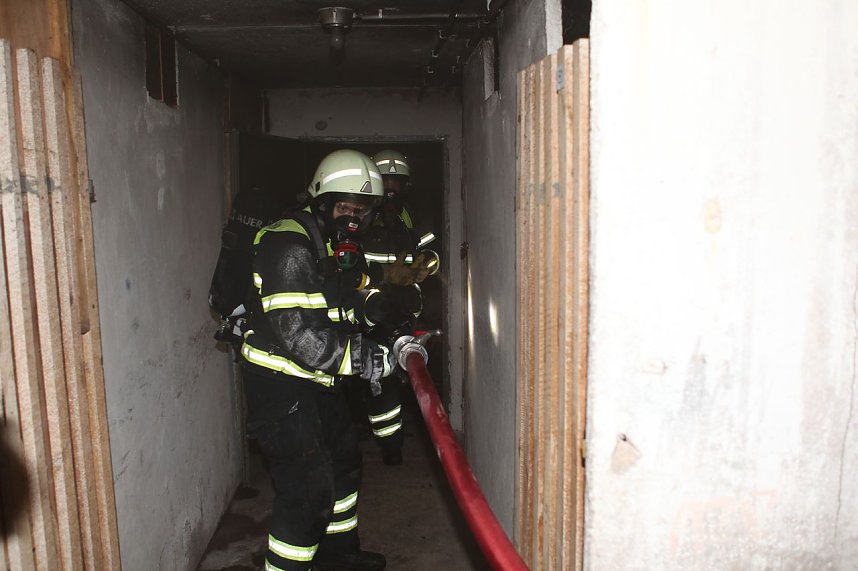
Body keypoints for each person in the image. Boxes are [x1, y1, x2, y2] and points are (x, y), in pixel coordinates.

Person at [240, 149, 420, 571]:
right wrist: (364, 357)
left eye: (362, 210)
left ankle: (340, 557)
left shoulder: (328, 244)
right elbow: (300, 335)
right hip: (281, 385)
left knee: (343, 465)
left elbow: (334, 305)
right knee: (307, 494)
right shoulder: (289, 245)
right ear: (321, 204)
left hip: (317, 382)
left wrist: (369, 311)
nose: (353, 219)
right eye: (344, 207)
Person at [358, 150, 440, 466]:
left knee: (394, 376)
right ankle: (384, 441)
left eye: (397, 183)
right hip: (366, 312)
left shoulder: (410, 216)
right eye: (384, 183)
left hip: (404, 310)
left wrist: (427, 264)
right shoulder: (359, 215)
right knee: (374, 378)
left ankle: (392, 442)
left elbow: (431, 247)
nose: (390, 190)